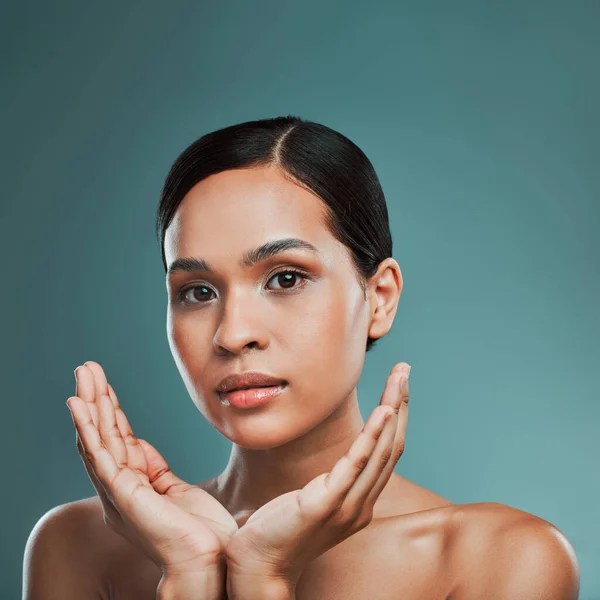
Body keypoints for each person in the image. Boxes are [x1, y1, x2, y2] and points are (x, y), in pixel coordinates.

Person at [23, 116, 579, 600]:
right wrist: (189, 574)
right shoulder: (78, 548)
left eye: (285, 278)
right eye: (197, 291)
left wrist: (263, 578)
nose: (233, 334)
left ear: (378, 297)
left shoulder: (500, 560)